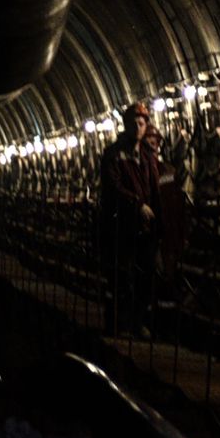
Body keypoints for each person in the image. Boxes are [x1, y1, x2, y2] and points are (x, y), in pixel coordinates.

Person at [98, 101, 162, 332]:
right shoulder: (113, 155)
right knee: (122, 277)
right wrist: (137, 205)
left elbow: (156, 190)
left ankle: (137, 322)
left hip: (145, 228)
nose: (138, 126)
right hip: (121, 227)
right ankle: (118, 324)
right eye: (134, 122)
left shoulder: (148, 158)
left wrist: (159, 223)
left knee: (147, 275)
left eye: (142, 122)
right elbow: (113, 188)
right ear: (125, 125)